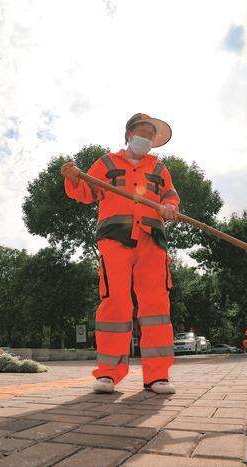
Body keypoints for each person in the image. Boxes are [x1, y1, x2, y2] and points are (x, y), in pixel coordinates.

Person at [61, 113, 179, 394]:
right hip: (115, 239)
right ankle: (108, 374)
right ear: (128, 134)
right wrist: (73, 179)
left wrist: (171, 206)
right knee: (115, 303)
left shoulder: (160, 168)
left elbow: (171, 196)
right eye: (142, 131)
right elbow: (86, 192)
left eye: (151, 134)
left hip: (153, 240)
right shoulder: (106, 162)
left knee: (156, 307)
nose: (146, 137)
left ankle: (157, 376)